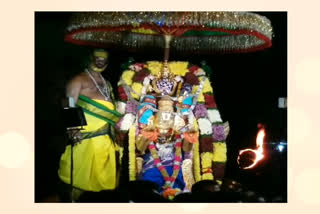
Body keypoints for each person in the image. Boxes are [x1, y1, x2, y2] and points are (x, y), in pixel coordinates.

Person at [58, 49, 123, 195]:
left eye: (103, 59)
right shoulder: (78, 80)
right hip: (86, 137)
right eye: (97, 58)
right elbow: (68, 104)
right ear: (89, 58)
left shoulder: (107, 83)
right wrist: (73, 130)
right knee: (82, 176)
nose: (100, 61)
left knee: (106, 178)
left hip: (107, 137)